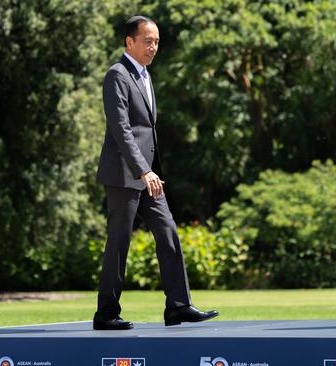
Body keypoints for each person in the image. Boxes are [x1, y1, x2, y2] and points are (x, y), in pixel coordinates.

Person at [94, 16, 219, 330]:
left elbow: (146, 128)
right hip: (125, 175)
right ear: (129, 41)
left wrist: (150, 171)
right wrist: (143, 170)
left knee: (168, 233)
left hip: (149, 175)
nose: (153, 47)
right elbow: (121, 130)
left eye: (157, 41)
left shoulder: (146, 75)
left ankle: (177, 306)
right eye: (147, 41)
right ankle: (106, 314)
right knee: (119, 243)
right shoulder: (117, 75)